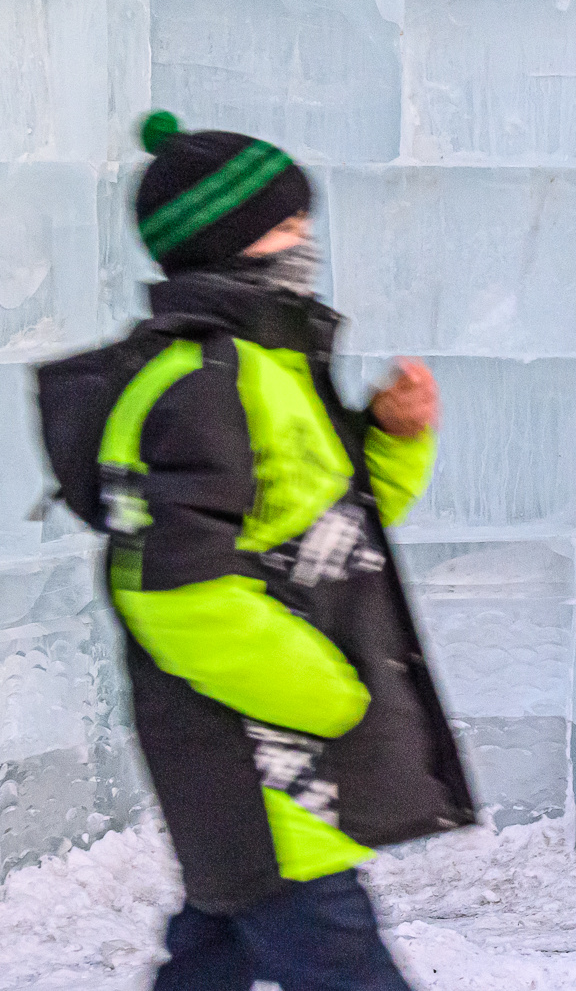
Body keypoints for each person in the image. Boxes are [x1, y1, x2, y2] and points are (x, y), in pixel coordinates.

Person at [36, 111, 474, 989]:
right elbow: (171, 589)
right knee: (335, 955)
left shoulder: (267, 364)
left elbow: (323, 527)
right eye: (284, 229)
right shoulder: (199, 382)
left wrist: (391, 439)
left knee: (219, 941)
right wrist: (325, 692)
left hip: (278, 747)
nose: (303, 244)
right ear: (225, 245)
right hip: (250, 748)